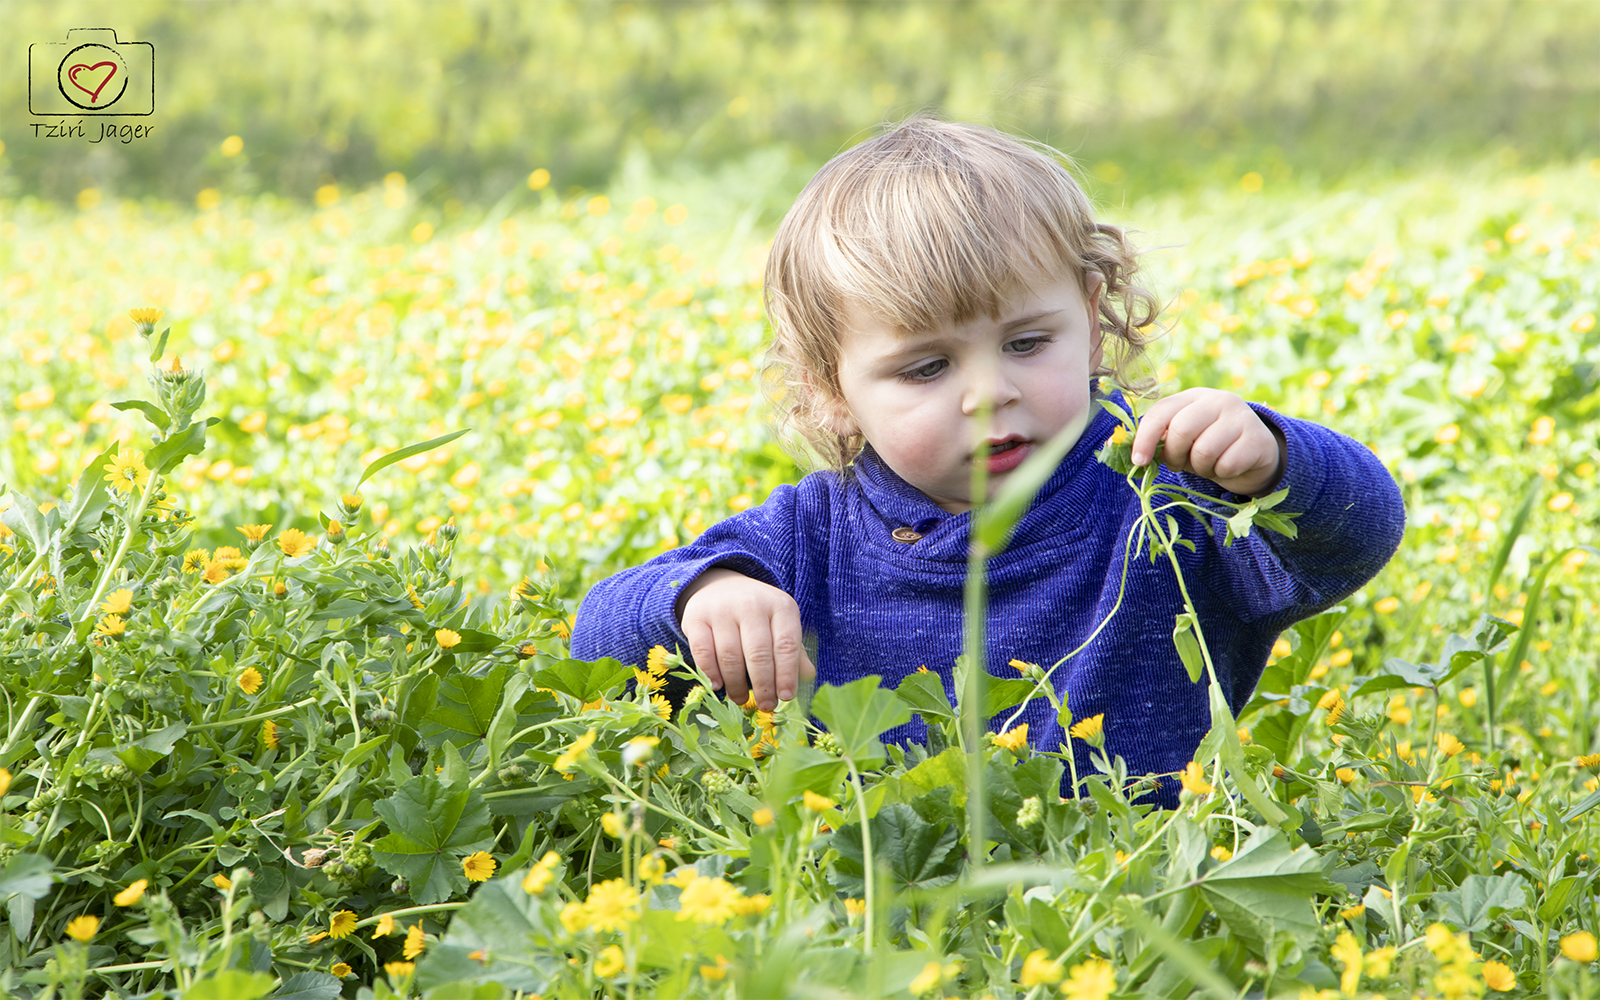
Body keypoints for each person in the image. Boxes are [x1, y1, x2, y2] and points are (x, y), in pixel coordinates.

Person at [570, 117, 1405, 803]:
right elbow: (593, 643)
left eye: (1028, 342)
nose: (987, 393)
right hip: (869, 892)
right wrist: (698, 598)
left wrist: (1274, 463)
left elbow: (1357, 536)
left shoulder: (1161, 495)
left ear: (1090, 314)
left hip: (1121, 894)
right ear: (832, 388)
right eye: (927, 368)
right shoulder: (808, 537)